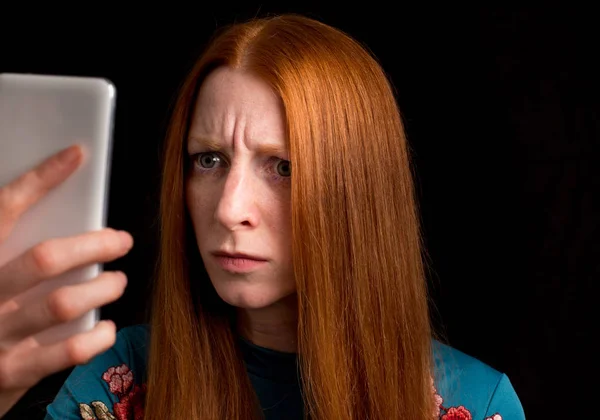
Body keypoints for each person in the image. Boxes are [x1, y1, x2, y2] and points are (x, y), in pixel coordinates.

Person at [0, 14, 525, 420]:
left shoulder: (476, 405)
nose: (229, 209)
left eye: (283, 167)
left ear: (356, 193)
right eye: (209, 161)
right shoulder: (118, 383)